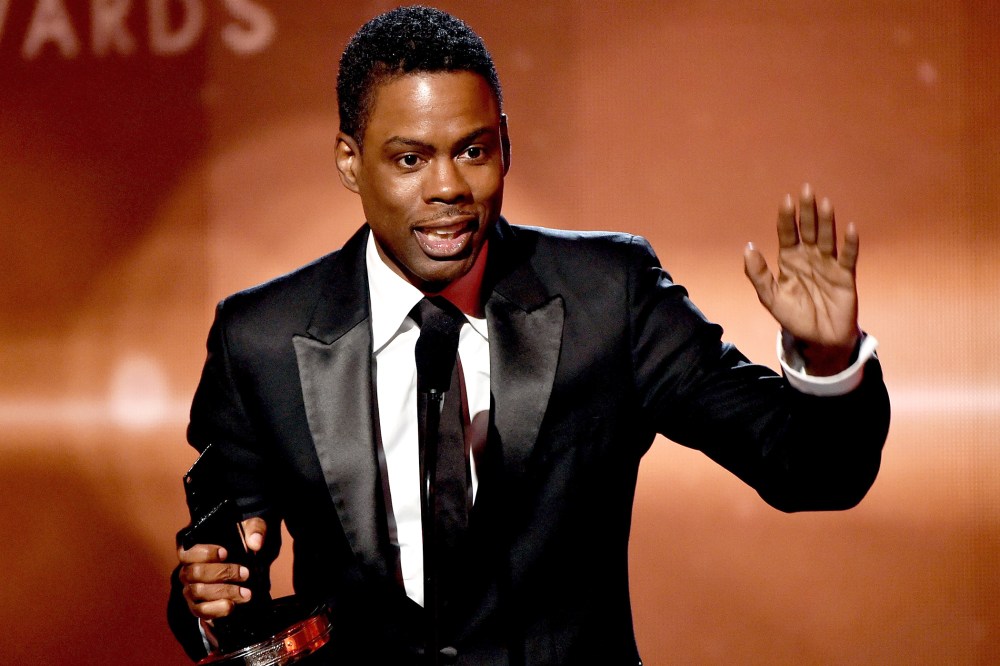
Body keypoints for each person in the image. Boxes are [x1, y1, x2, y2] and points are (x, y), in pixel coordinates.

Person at [168, 6, 890, 665]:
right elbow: (224, 576)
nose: (448, 186)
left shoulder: (610, 296)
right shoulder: (259, 339)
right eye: (411, 159)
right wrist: (208, 601)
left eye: (474, 151)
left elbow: (814, 473)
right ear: (350, 162)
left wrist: (827, 359)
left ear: (506, 148)